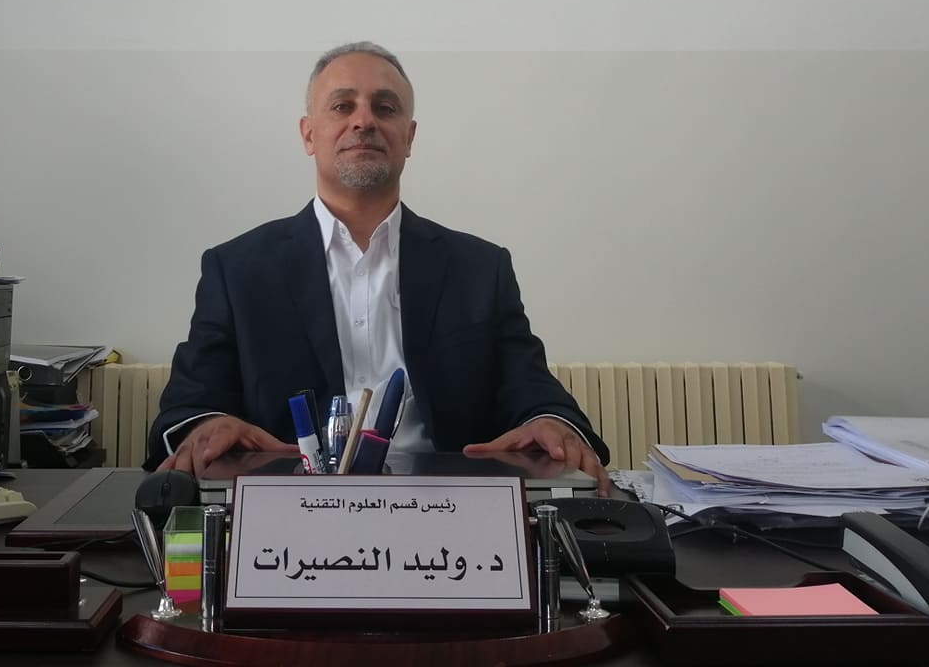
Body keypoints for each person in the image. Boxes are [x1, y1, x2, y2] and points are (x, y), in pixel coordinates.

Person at [147, 42, 611, 495]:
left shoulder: (479, 269)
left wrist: (550, 421)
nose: (364, 121)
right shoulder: (238, 270)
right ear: (308, 134)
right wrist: (207, 425)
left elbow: (530, 387)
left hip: (448, 509)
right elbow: (191, 402)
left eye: (385, 108)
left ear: (409, 137)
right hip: (286, 510)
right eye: (342, 106)